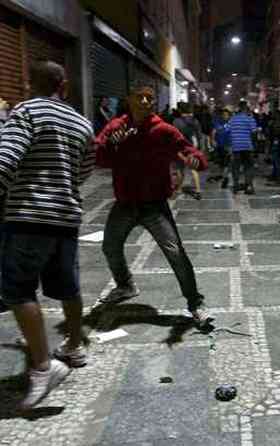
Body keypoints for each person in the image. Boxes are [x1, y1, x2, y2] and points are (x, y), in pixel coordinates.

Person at [0, 61, 96, 409]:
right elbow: (85, 169)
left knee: (15, 288)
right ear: (64, 85)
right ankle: (74, 346)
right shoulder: (82, 122)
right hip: (66, 216)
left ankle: (44, 366)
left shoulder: (26, 112)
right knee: (66, 284)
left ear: (29, 84)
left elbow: (5, 160)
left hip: (28, 216)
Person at [92, 85, 213, 329]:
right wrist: (111, 146)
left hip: (154, 206)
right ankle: (125, 285)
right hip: (125, 203)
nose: (146, 101)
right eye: (140, 97)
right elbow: (98, 158)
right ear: (129, 99)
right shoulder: (116, 127)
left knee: (175, 253)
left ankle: (196, 304)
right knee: (110, 247)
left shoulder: (164, 131)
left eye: (150, 98)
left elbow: (192, 153)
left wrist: (196, 161)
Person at [173, 102, 204, 200]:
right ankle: (198, 191)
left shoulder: (176, 121)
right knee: (193, 168)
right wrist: (200, 148)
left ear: (180, 110)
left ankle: (178, 190)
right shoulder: (195, 121)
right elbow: (199, 135)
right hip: (191, 146)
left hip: (180, 147)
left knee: (179, 169)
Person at [228, 101, 258, 195]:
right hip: (247, 147)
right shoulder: (250, 119)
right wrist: (253, 145)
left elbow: (227, 130)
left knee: (235, 167)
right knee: (248, 167)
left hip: (236, 147)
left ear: (239, 108)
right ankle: (248, 186)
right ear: (246, 108)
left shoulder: (232, 119)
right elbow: (254, 133)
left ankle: (236, 186)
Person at [211, 108, 232, 189]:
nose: (225, 116)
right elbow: (213, 131)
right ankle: (223, 175)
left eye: (226, 115)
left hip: (228, 145)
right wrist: (212, 140)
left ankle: (225, 178)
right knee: (221, 163)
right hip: (219, 145)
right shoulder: (217, 122)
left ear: (229, 116)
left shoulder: (232, 123)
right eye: (223, 115)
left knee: (227, 162)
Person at [268, 109, 280, 184]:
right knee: (279, 160)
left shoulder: (275, 122)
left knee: (276, 159)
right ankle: (277, 175)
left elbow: (273, 132)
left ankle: (279, 176)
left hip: (277, 142)